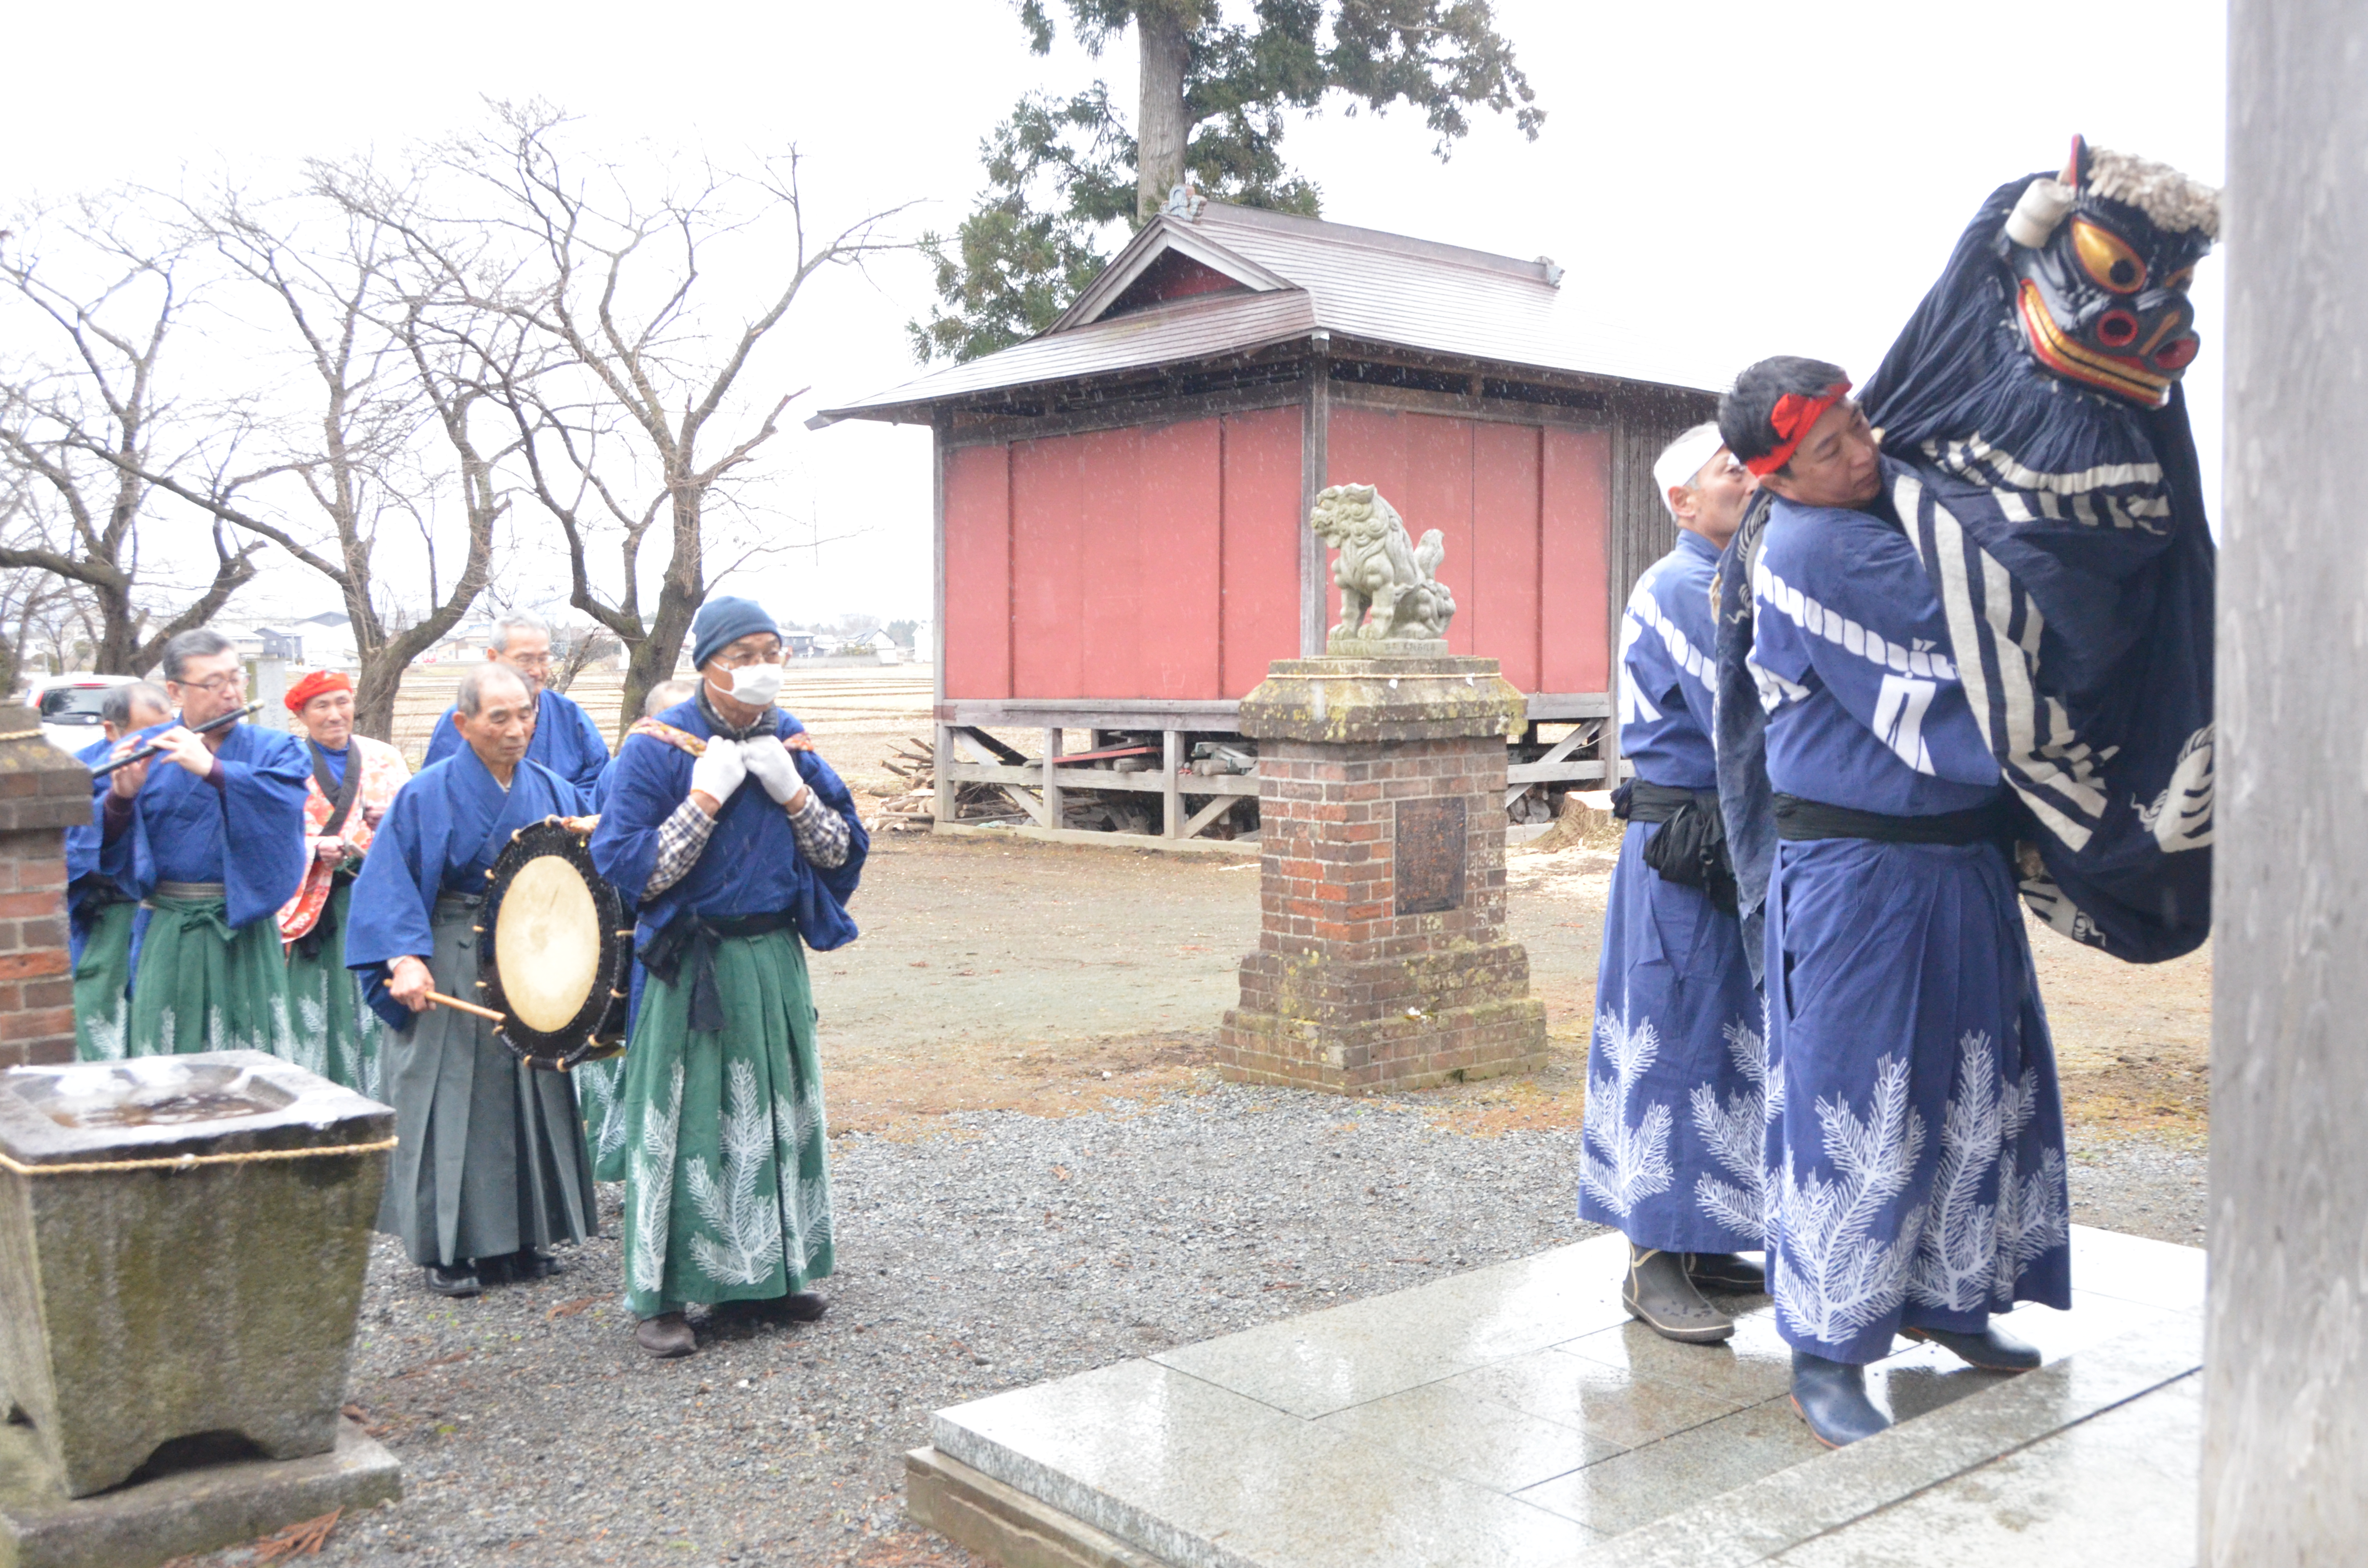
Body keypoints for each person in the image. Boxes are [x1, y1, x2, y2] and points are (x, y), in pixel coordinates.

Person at [1722, 357, 2069, 1448]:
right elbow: (1976, 639)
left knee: (1973, 1081)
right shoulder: (1820, 546)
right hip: (1860, 879)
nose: (1864, 452)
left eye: (1859, 425)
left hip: (1952, 861)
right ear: (1775, 475)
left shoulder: (1866, 512)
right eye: (1829, 449)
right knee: (1856, 1100)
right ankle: (1827, 1350)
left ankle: (1956, 1297)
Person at [590, 597, 866, 1359]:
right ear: (707, 662)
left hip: (771, 955)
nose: (761, 668)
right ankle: (663, 1294)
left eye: (772, 651)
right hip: (691, 960)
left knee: (776, 1111)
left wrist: (796, 793)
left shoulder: (792, 742)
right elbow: (633, 873)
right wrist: (705, 800)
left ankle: (773, 1277)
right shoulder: (654, 750)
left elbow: (840, 852)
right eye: (743, 654)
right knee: (684, 1121)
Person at [1580, 425, 1769, 1344]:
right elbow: (1743, 712)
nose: (1745, 478)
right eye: (1725, 471)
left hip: (1720, 832)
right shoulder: (1681, 585)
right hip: (1683, 842)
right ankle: (1651, 1259)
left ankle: (1699, 1238)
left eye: (1747, 464)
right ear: (1679, 502)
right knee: (1672, 1036)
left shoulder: (1731, 579)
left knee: (1724, 1032)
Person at [345, 662, 599, 1298]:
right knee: (450, 1093)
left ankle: (523, 1237)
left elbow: (587, 877)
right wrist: (403, 958)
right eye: (500, 718)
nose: (518, 730)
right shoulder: (426, 794)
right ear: (463, 724)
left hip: (532, 958)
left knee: (529, 1089)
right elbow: (389, 884)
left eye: (527, 715)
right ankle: (449, 1247)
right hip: (451, 951)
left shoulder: (556, 791)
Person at [98, 631, 309, 1056]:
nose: (231, 694)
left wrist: (215, 770)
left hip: (244, 927)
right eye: (214, 684)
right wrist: (120, 800)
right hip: (171, 928)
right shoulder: (144, 750)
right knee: (170, 1062)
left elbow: (283, 806)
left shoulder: (277, 750)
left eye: (236, 679)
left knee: (257, 1061)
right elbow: (108, 852)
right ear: (175, 690)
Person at [579, 675, 696, 1176]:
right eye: (667, 722)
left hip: (694, 927)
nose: (679, 735)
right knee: (634, 1045)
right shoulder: (623, 769)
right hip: (636, 926)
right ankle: (624, 1155)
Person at [276, 669, 410, 1094]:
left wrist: (392, 821)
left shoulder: (385, 758)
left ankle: (381, 1091)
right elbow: (270, 835)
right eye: (322, 706)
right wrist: (314, 849)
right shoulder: (286, 763)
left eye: (342, 702)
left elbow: (417, 823)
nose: (335, 715)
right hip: (317, 910)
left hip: (374, 902)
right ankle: (317, 1090)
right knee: (318, 1007)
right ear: (302, 715)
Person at [64, 681, 170, 1061]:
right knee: (99, 1024)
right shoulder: (78, 773)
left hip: (167, 919)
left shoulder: (181, 764)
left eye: (168, 730)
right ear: (112, 730)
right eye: (148, 734)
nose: (160, 743)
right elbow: (73, 852)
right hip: (106, 917)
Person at [422, 612, 611, 796]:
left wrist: (561, 815)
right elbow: (437, 793)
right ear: (493, 658)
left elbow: (599, 786)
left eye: (543, 659)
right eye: (525, 660)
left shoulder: (569, 715)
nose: (537, 671)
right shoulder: (467, 717)